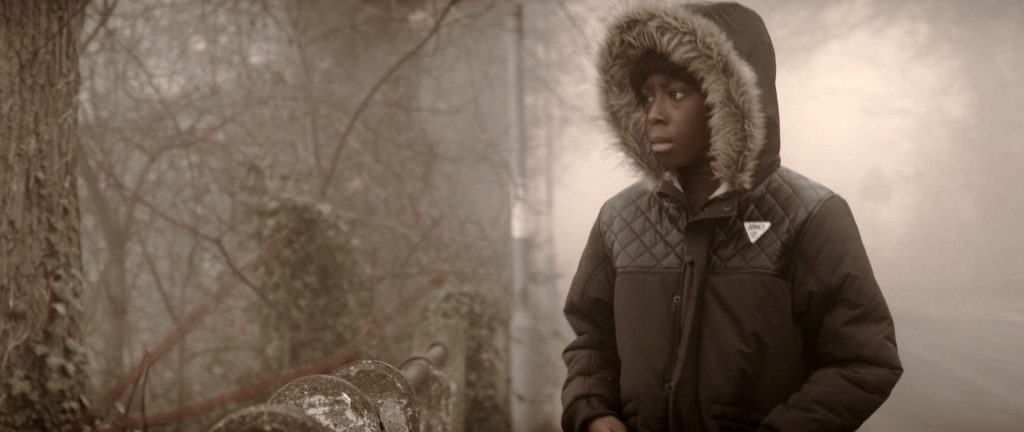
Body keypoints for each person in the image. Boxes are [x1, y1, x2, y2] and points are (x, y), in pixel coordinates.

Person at [560, 2, 903, 432]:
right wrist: (593, 411)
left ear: (729, 103)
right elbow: (592, 339)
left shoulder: (811, 217)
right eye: (647, 96)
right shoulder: (619, 219)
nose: (655, 114)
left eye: (676, 94)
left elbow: (864, 360)